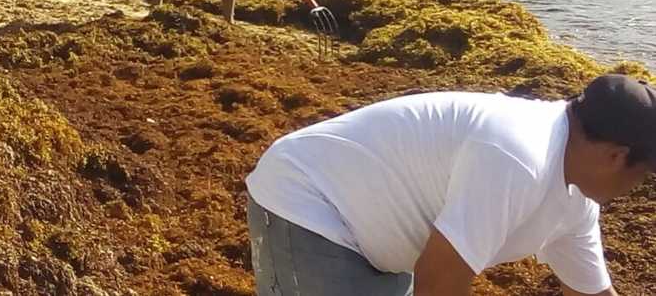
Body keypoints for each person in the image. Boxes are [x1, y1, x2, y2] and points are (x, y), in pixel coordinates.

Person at [246, 74, 656, 296]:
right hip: (310, 202)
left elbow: (590, 293)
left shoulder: (575, 202)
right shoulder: (520, 157)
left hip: (376, 235)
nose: (639, 186)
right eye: (644, 173)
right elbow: (439, 281)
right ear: (617, 156)